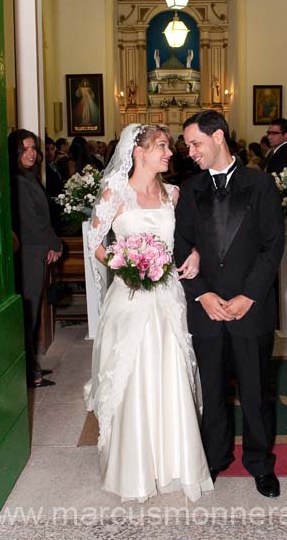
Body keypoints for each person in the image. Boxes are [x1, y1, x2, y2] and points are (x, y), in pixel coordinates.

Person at [84, 123, 213, 502]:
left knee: (170, 369)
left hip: (168, 294)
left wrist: (194, 254)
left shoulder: (174, 194)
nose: (169, 153)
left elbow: (191, 240)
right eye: (162, 146)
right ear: (139, 152)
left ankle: (175, 461)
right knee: (133, 372)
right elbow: (95, 242)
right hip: (131, 296)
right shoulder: (116, 193)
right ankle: (135, 467)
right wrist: (126, 265)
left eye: (169, 147)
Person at [174, 110, 285, 498]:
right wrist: (202, 294)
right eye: (188, 145)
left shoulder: (261, 184)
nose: (189, 152)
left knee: (254, 391)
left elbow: (273, 247)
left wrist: (248, 296)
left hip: (250, 308)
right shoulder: (190, 189)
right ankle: (215, 457)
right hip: (207, 308)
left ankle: (259, 463)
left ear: (218, 137)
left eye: (195, 143)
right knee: (213, 389)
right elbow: (180, 246)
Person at [8, 130, 62, 388]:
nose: (32, 153)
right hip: (28, 252)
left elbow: (43, 217)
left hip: (36, 250)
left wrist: (49, 245)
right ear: (15, 153)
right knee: (28, 314)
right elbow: (31, 221)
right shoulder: (18, 181)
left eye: (33, 148)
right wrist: (55, 243)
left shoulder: (28, 177)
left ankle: (31, 365)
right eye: (25, 149)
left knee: (34, 313)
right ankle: (29, 372)